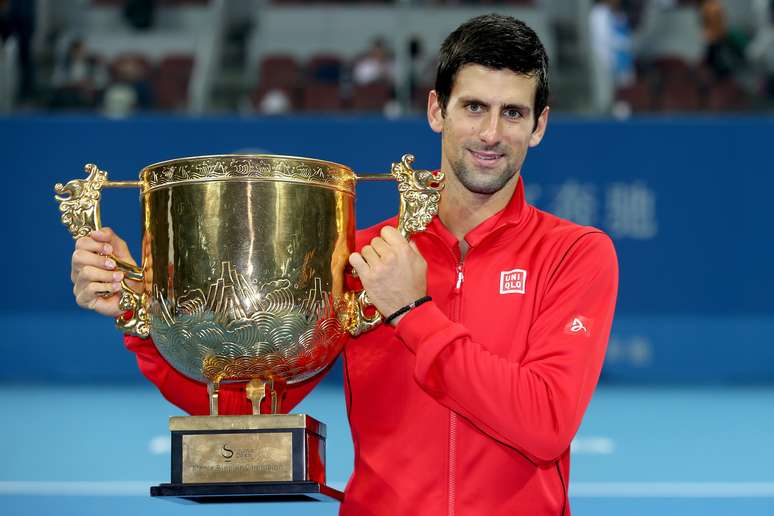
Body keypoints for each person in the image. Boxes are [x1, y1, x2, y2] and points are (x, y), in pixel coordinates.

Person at [70, 14, 618, 515]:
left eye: (513, 113)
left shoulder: (574, 253)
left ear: (539, 125)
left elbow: (545, 423)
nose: (492, 134)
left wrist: (412, 310)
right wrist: (142, 313)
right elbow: (246, 402)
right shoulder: (360, 255)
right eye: (474, 107)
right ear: (436, 110)